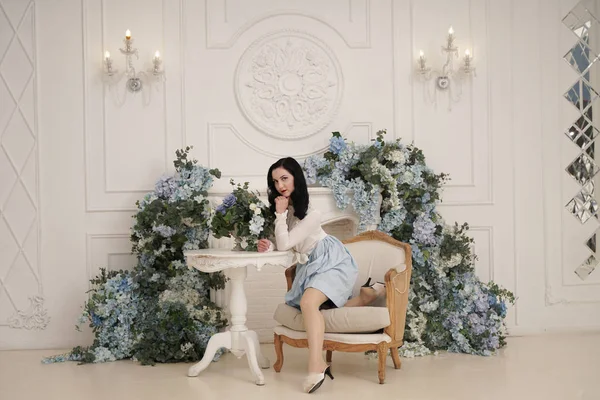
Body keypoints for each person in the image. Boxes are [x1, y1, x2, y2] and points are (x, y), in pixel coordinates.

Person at [258, 157, 385, 394]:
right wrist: (270, 245)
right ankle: (367, 295)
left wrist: (279, 218)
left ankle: (316, 364)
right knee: (318, 309)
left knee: (308, 303)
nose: (280, 185)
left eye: (284, 178)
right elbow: (287, 244)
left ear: (296, 178)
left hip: (331, 260)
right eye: (275, 181)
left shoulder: (311, 213)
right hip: (311, 264)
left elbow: (287, 243)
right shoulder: (289, 211)